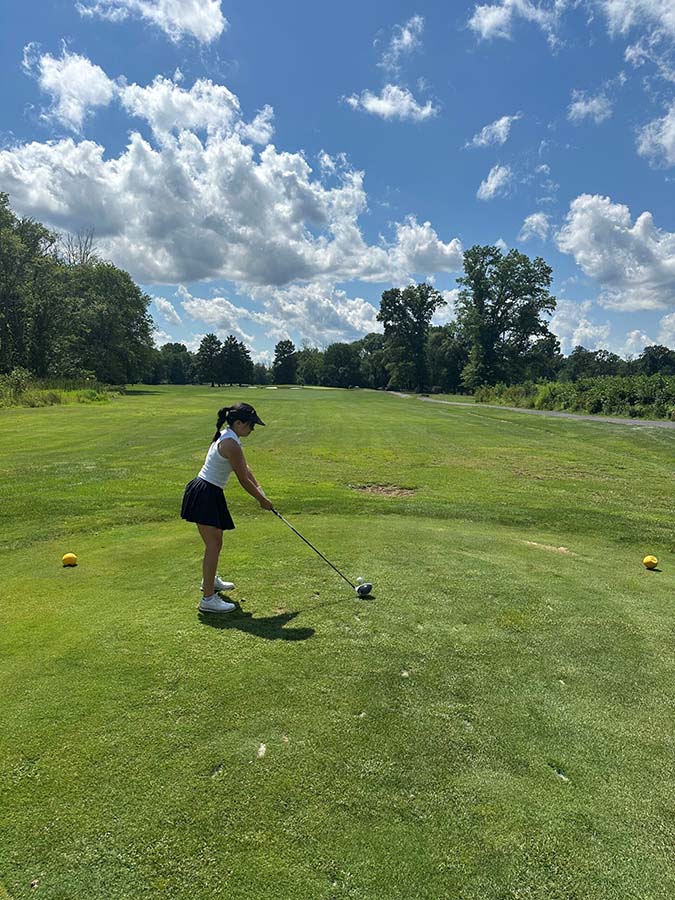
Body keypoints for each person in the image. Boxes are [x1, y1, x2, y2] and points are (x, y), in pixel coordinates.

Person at [181, 402, 274, 613]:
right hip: (206, 493)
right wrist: (261, 500)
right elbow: (242, 479)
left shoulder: (230, 437)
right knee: (213, 544)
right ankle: (208, 600)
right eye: (251, 425)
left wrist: (260, 490)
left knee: (216, 541)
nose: (253, 429)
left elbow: (246, 469)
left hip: (208, 492)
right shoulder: (231, 443)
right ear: (239, 423)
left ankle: (210, 581)